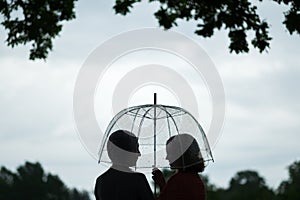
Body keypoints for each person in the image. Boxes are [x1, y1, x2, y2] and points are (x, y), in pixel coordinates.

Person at [94, 130, 155, 200]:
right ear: (126, 151)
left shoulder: (101, 181)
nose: (139, 153)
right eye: (135, 148)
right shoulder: (138, 179)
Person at [152, 134, 206, 200]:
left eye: (170, 153)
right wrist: (162, 184)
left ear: (180, 155)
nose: (167, 158)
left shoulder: (178, 180)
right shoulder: (196, 180)